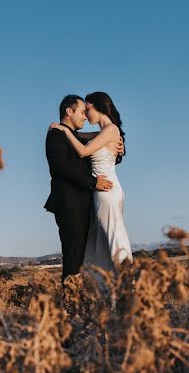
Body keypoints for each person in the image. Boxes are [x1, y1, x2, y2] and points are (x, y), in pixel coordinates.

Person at [50, 91, 132, 271]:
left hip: (106, 190)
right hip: (97, 193)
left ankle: (127, 283)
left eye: (87, 109)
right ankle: (105, 287)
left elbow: (83, 151)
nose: (86, 115)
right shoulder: (103, 133)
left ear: (99, 107)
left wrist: (63, 129)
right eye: (83, 111)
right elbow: (84, 139)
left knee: (113, 236)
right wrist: (66, 130)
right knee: (100, 243)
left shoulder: (110, 130)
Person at [44, 95, 115, 281]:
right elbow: (61, 167)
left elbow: (101, 150)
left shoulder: (76, 138)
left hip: (84, 204)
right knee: (73, 256)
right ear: (69, 111)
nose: (85, 117)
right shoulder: (55, 135)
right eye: (82, 112)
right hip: (69, 204)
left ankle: (82, 301)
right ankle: (70, 304)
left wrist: (118, 145)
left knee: (86, 256)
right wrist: (93, 182)